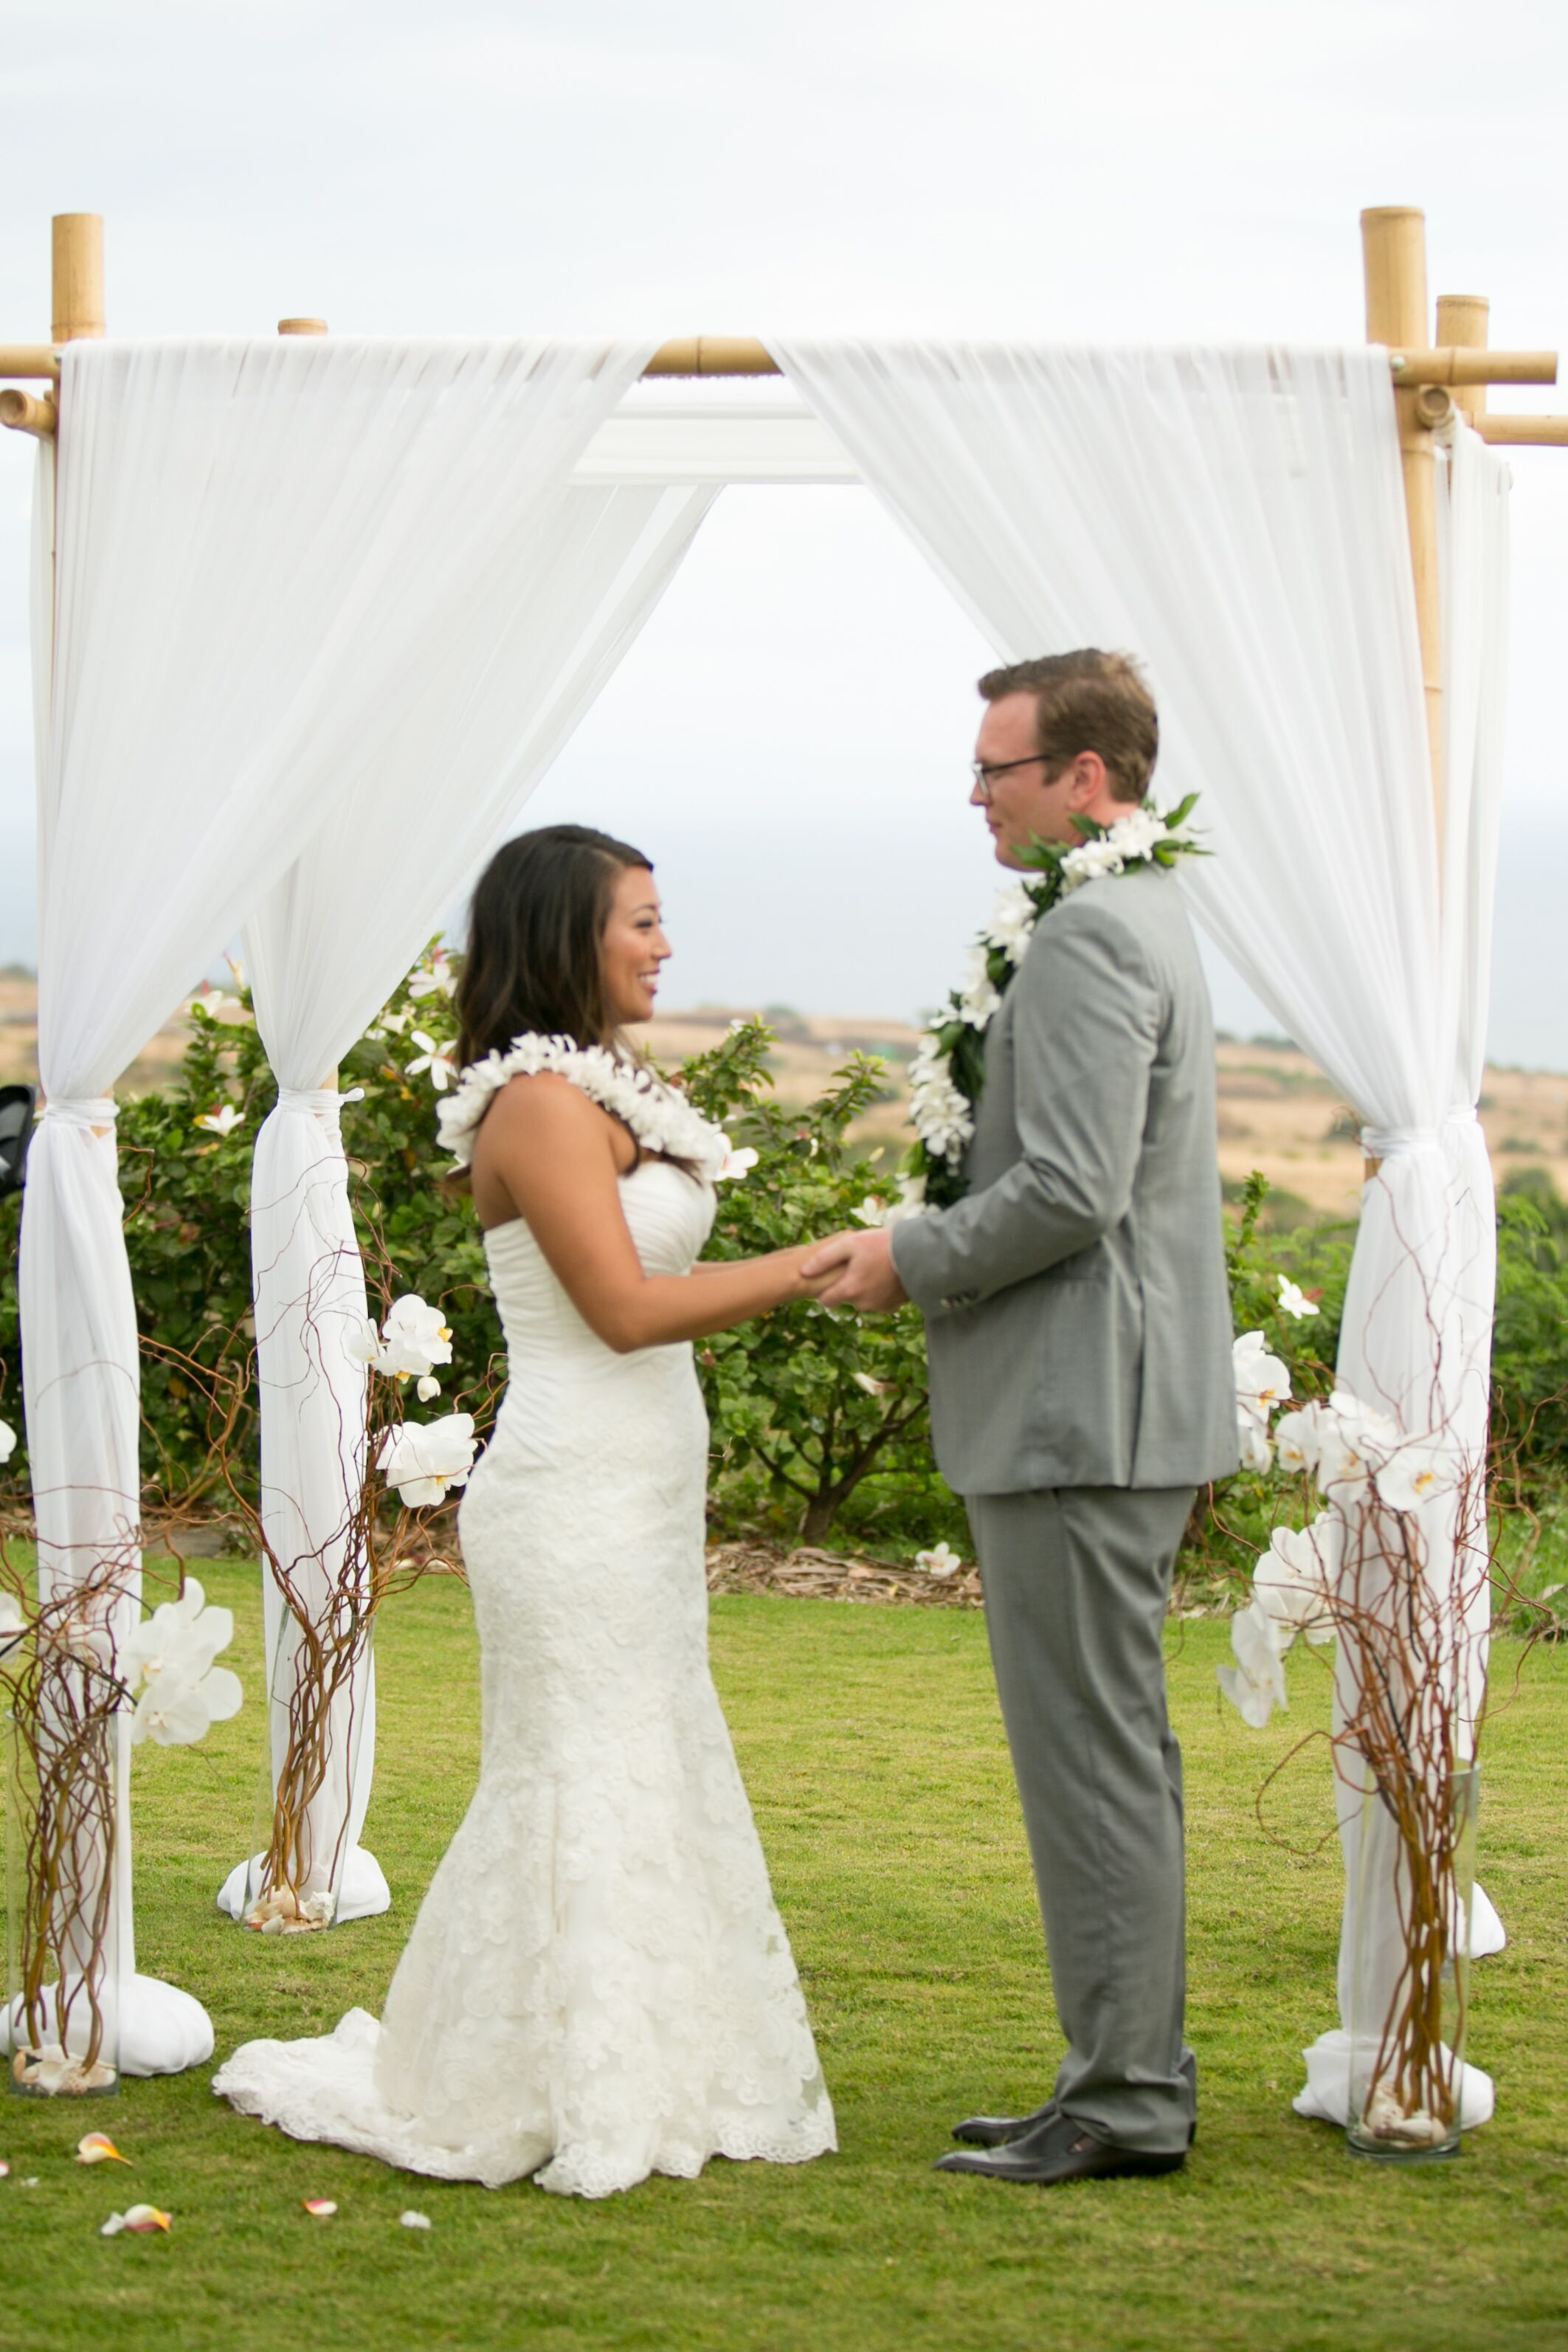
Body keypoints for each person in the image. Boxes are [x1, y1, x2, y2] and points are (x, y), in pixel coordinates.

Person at [215, 824, 837, 2198]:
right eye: (640, 921)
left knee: (649, 1759)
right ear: (567, 933)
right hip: (569, 1498)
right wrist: (806, 1268)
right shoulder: (540, 1107)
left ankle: (644, 2060)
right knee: (573, 1774)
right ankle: (549, 2078)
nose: (664, 945)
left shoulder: (602, 1089)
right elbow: (619, 1312)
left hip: (642, 1492)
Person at [804, 652, 1236, 2187]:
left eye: (997, 768)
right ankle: (1122, 2071)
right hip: (1110, 1410)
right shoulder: (1138, 911)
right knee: (1112, 1749)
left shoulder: (1092, 935)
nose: (973, 795)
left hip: (1080, 1413)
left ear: (1087, 780)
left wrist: (901, 1256)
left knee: (1091, 1757)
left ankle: (1123, 2099)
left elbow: (1068, 1190)